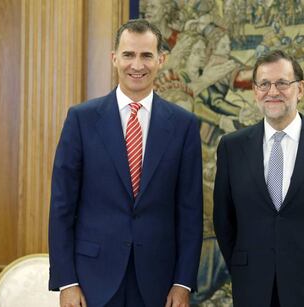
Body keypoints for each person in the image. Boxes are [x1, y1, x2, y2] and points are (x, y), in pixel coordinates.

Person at [48, 19, 203, 307]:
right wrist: (66, 282)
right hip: (91, 280)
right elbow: (61, 207)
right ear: (114, 58)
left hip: (159, 282)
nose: (137, 65)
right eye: (129, 55)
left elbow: (190, 212)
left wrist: (182, 283)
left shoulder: (184, 126)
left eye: (146, 55)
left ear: (161, 60)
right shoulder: (81, 120)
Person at [213, 50, 304, 306]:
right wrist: (244, 267)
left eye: (282, 83)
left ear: (300, 89)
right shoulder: (231, 147)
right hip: (253, 289)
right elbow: (224, 222)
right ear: (255, 91)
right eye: (264, 84)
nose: (273, 91)